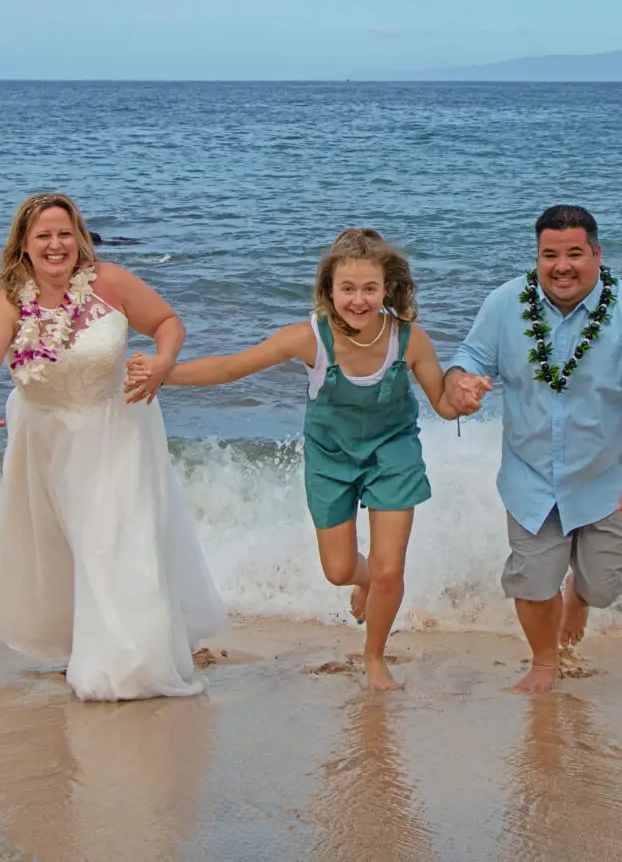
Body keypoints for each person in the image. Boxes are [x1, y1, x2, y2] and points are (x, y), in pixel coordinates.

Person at [141, 228, 469, 691]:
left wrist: (465, 396)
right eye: (348, 289)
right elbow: (231, 367)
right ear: (328, 291)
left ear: (387, 289)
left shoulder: (411, 341)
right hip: (330, 458)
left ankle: (375, 659)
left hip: (393, 452)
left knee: (389, 567)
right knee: (338, 571)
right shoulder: (308, 339)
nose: (359, 300)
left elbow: (443, 404)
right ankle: (365, 581)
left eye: (370, 289)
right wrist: (163, 375)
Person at [0, 192, 226, 702]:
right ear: (24, 245)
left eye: (64, 234)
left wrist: (163, 362)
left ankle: (126, 664)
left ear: (78, 238)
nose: (56, 245)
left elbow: (168, 323)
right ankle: (85, 645)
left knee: (116, 541)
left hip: (118, 429)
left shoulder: (110, 282)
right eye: (44, 236)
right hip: (47, 442)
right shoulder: (9, 302)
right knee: (70, 550)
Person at [444, 205, 622, 693]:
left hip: (606, 478)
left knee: (604, 586)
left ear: (596, 253)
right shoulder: (505, 303)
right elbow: (468, 357)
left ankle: (580, 593)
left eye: (575, 253)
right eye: (549, 255)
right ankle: (545, 664)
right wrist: (460, 382)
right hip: (530, 475)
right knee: (531, 581)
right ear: (536, 257)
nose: (562, 266)